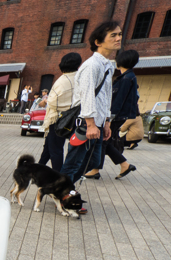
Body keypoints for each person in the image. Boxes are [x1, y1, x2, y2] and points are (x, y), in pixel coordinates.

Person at [60, 21, 121, 185]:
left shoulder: (107, 65)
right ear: (98, 42)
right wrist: (91, 124)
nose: (118, 38)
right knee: (74, 163)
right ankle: (63, 194)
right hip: (86, 124)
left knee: (90, 163)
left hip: (98, 123)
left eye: (119, 34)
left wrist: (106, 121)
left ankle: (67, 191)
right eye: (113, 35)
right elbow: (87, 96)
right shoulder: (92, 65)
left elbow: (106, 96)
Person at [89, 49, 137, 180]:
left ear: (120, 61)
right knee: (107, 141)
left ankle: (95, 169)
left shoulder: (126, 79)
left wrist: (109, 118)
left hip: (116, 115)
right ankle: (124, 165)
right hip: (119, 115)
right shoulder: (127, 77)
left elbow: (118, 101)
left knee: (103, 141)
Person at [41, 53, 81, 172]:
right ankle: (36, 170)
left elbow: (54, 102)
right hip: (71, 117)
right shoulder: (79, 78)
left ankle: (58, 178)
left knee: (55, 150)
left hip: (58, 119)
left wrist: (46, 101)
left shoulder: (63, 80)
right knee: (48, 148)